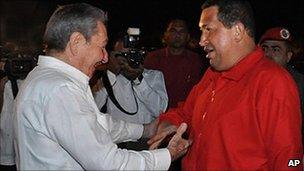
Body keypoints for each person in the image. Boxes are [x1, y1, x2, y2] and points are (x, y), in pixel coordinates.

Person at [13, 3, 191, 170]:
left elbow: (96, 124)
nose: (105, 57)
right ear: (76, 42)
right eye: (103, 47)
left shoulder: (45, 79)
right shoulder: (60, 89)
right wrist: (167, 156)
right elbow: (108, 163)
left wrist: (146, 129)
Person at [148, 0, 303, 170]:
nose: (201, 41)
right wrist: (169, 123)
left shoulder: (273, 82)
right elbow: (186, 113)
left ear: (237, 31)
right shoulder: (213, 73)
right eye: (201, 31)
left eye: (208, 29)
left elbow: (290, 160)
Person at [94, 36, 168, 124]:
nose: (127, 59)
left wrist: (139, 80)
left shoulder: (154, 76)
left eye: (131, 54)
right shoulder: (107, 79)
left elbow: (160, 111)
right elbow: (92, 108)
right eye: (122, 54)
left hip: (147, 136)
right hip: (119, 136)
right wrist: (110, 74)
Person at [144, 19, 206, 108]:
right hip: (156, 112)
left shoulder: (196, 60)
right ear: (166, 35)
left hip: (185, 114)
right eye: (173, 31)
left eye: (182, 31)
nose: (178, 35)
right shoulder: (153, 58)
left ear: (188, 36)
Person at [259, 26, 304, 147]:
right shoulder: (251, 80)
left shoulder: (298, 84)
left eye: (276, 49)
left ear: (288, 56)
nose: (268, 54)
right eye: (264, 48)